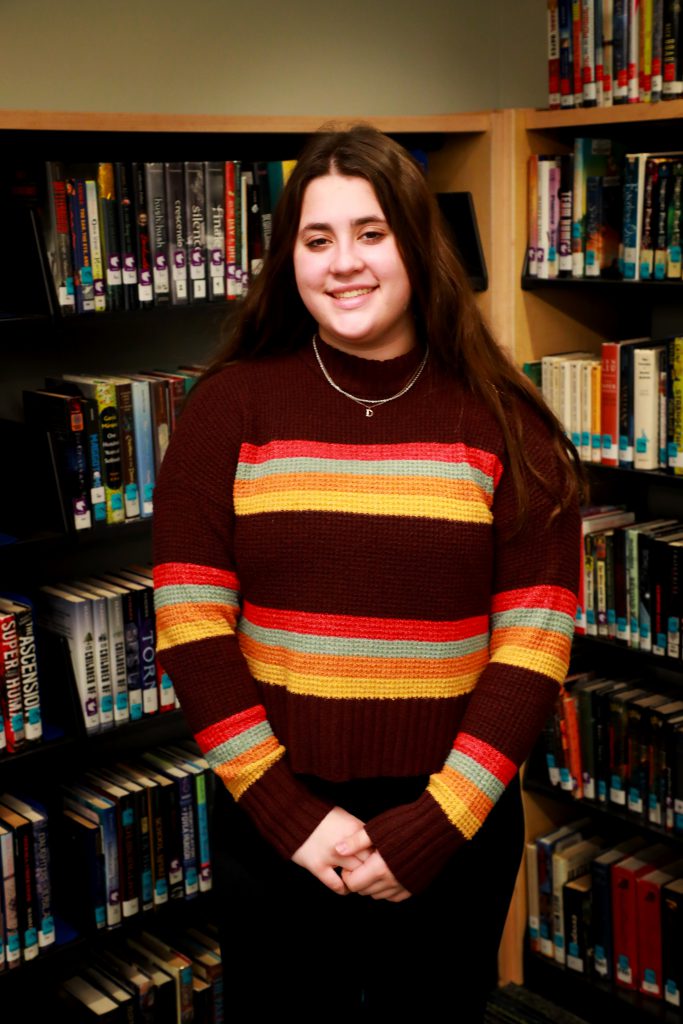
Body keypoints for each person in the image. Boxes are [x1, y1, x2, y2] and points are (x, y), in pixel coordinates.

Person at [152, 123, 582, 1020]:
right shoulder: (226, 408)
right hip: (274, 819)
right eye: (317, 240)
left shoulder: (505, 417)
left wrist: (438, 823)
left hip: (451, 825)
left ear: (416, 247)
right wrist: (285, 812)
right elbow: (190, 625)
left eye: (370, 233)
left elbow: (533, 642)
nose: (343, 263)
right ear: (289, 260)